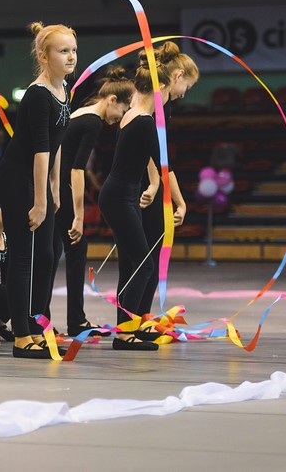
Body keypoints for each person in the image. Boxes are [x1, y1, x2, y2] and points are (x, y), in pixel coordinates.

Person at [100, 43, 197, 350]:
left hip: (121, 195)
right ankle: (125, 334)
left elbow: (153, 165)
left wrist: (155, 187)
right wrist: (181, 202)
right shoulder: (143, 122)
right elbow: (165, 168)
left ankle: (132, 327)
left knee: (132, 265)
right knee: (143, 265)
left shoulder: (135, 115)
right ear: (168, 82)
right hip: (119, 197)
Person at [0, 22, 76, 359]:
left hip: (39, 179)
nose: (71, 56)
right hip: (18, 179)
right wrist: (41, 201)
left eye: (73, 49)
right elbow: (40, 150)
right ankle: (21, 336)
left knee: (46, 256)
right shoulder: (38, 94)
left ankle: (38, 325)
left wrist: (55, 186)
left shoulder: (63, 90)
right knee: (24, 259)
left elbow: (57, 145)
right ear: (44, 56)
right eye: (63, 51)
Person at [53, 66, 133, 338]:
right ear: (112, 100)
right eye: (121, 112)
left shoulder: (80, 113)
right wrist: (78, 215)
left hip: (52, 182)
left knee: (53, 251)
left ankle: (46, 318)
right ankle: (74, 321)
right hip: (60, 184)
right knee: (74, 248)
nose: (120, 119)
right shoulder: (92, 122)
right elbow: (77, 169)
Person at [138, 44, 200, 319]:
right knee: (146, 259)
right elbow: (153, 155)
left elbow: (160, 156)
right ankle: (134, 321)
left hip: (150, 181)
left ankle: (141, 318)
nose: (185, 93)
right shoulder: (152, 105)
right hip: (143, 185)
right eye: (187, 86)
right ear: (176, 77)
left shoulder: (163, 106)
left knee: (151, 256)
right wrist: (156, 186)